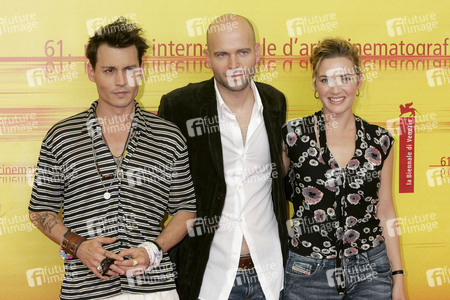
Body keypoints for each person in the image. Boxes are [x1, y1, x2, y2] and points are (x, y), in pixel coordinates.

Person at [28, 18, 196, 300]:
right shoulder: (61, 136)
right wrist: (78, 246)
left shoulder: (168, 136)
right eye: (109, 70)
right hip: (85, 289)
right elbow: (40, 210)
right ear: (91, 71)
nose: (121, 81)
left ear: (141, 71)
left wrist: (151, 251)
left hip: (154, 289)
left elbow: (186, 211)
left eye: (129, 69)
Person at [158, 14, 288, 300]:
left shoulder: (275, 101)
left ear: (258, 51)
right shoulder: (180, 106)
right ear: (207, 57)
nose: (233, 66)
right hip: (209, 278)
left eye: (243, 52)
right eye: (222, 54)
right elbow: (162, 191)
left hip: (270, 274)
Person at [282, 38, 406, 299]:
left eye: (344, 78)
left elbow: (385, 209)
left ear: (359, 81)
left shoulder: (380, 140)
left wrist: (398, 277)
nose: (335, 88)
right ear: (315, 85)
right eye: (325, 79)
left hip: (371, 271)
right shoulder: (292, 136)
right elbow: (266, 197)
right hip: (308, 271)